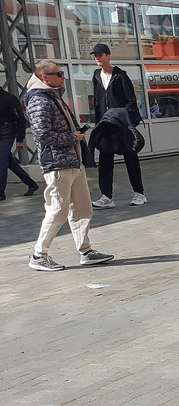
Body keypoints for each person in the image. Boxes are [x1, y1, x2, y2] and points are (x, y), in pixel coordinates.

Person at [24, 60, 114, 271]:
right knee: (57, 210)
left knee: (82, 209)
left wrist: (75, 138)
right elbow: (42, 134)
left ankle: (86, 251)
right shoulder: (39, 99)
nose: (63, 77)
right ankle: (39, 254)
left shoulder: (52, 95)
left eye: (62, 73)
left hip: (73, 160)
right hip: (57, 163)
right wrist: (72, 137)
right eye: (58, 74)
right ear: (44, 77)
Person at [89, 44, 147, 208]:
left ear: (108, 56)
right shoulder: (96, 75)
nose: (97, 58)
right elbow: (98, 100)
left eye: (100, 55)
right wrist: (100, 122)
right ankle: (106, 197)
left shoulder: (120, 76)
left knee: (131, 157)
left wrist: (121, 116)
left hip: (121, 124)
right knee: (105, 160)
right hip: (105, 125)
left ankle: (139, 193)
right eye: (95, 55)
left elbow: (131, 102)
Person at [0, 87, 37, 202]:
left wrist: (20, 139)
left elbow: (20, 119)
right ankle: (31, 184)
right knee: (9, 162)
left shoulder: (9, 98)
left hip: (7, 134)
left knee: (1, 162)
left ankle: (0, 192)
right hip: (3, 134)